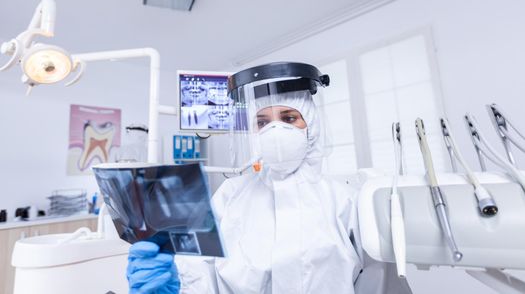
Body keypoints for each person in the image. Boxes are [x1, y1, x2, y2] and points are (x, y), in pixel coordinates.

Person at [127, 62, 412, 294]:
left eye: (289, 118)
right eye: (262, 122)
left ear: (310, 125)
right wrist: (169, 285)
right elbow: (199, 274)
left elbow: (382, 285)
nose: (274, 132)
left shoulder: (346, 204)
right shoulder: (230, 197)